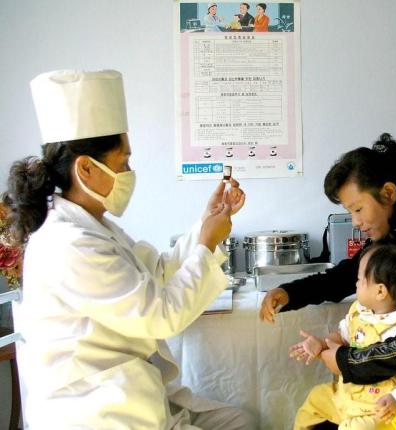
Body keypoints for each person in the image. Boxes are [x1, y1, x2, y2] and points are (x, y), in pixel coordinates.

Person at [3, 69, 255, 429]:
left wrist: (206, 223)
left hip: (126, 393)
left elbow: (159, 270)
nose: (129, 173)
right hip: (98, 410)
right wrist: (208, 241)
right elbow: (162, 315)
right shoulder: (69, 245)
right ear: (86, 169)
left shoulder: (92, 228)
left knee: (239, 421)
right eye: (123, 163)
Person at [260, 133, 396, 430]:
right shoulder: (383, 245)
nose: (355, 221)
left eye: (358, 209)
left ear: (389, 194)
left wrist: (348, 362)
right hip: (374, 394)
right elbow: (341, 278)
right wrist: (288, 293)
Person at [291, 242, 396, 429]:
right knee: (314, 400)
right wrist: (321, 344)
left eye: (360, 279)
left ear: (380, 291)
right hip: (349, 393)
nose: (356, 283)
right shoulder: (359, 312)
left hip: (382, 406)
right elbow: (342, 336)